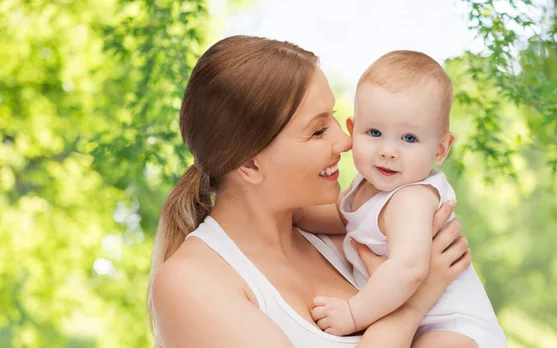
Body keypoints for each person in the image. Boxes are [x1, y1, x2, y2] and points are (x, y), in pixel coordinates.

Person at [148, 35, 474, 348]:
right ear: (249, 164)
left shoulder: (340, 235)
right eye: (318, 130)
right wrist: (411, 306)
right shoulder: (191, 283)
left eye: (333, 117)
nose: (345, 141)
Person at [293, 51, 507, 347]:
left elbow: (409, 269)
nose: (388, 151)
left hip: (453, 324)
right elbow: (342, 218)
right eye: (375, 132)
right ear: (354, 132)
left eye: (409, 138)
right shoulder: (363, 187)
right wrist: (297, 215)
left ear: (441, 149)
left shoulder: (413, 198)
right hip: (413, 316)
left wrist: (354, 314)